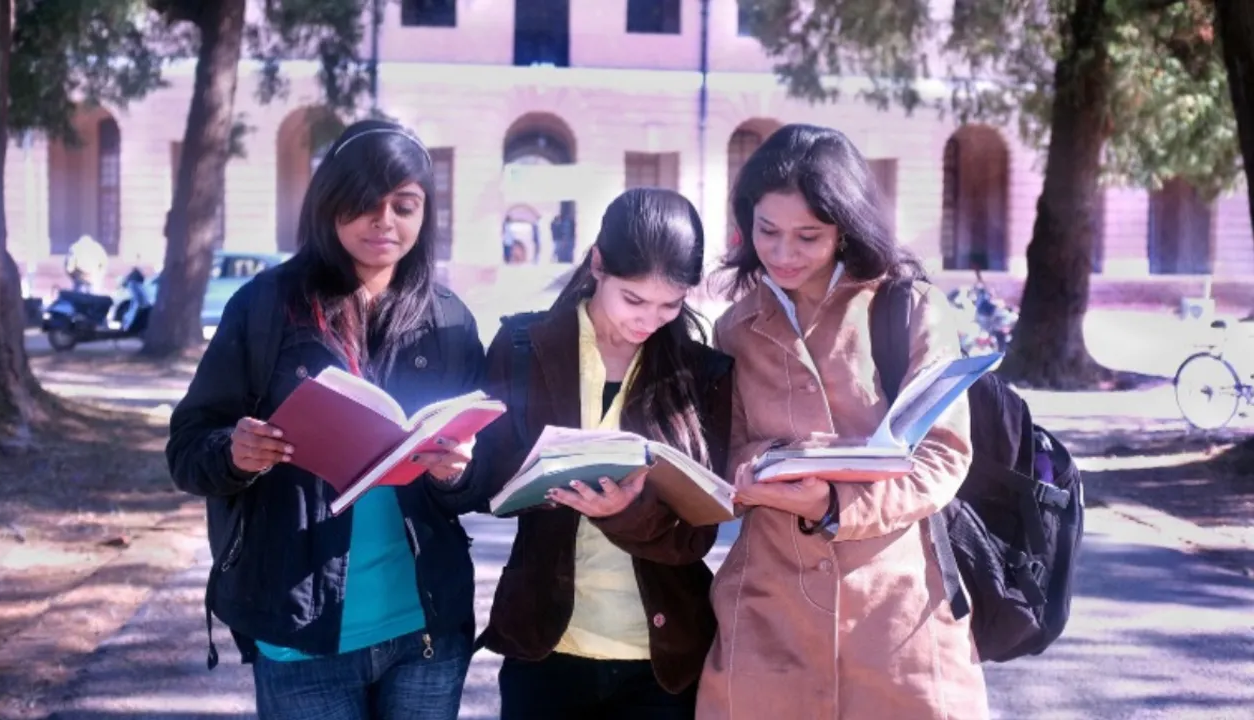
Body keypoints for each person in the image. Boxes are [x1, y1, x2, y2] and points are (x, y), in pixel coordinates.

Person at [166, 120, 485, 720]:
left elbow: (482, 476)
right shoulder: (266, 307)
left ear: (425, 214)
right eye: (364, 202)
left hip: (426, 628)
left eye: (404, 205)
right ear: (328, 205)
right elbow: (187, 448)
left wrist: (459, 472)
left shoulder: (450, 322)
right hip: (300, 628)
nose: (384, 220)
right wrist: (234, 453)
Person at [696, 124, 990, 719]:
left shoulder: (907, 308)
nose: (783, 254)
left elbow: (943, 455)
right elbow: (719, 454)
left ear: (845, 226)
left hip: (897, 613)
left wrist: (834, 504)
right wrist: (747, 473)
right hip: (767, 613)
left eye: (808, 236)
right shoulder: (733, 329)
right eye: (767, 232)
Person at [470, 187, 734, 720]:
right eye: (633, 299)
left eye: (670, 304)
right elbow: (486, 483)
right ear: (597, 264)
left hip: (660, 657)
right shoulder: (523, 346)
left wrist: (627, 514)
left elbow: (698, 533)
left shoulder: (702, 374)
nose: (649, 320)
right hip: (545, 645)